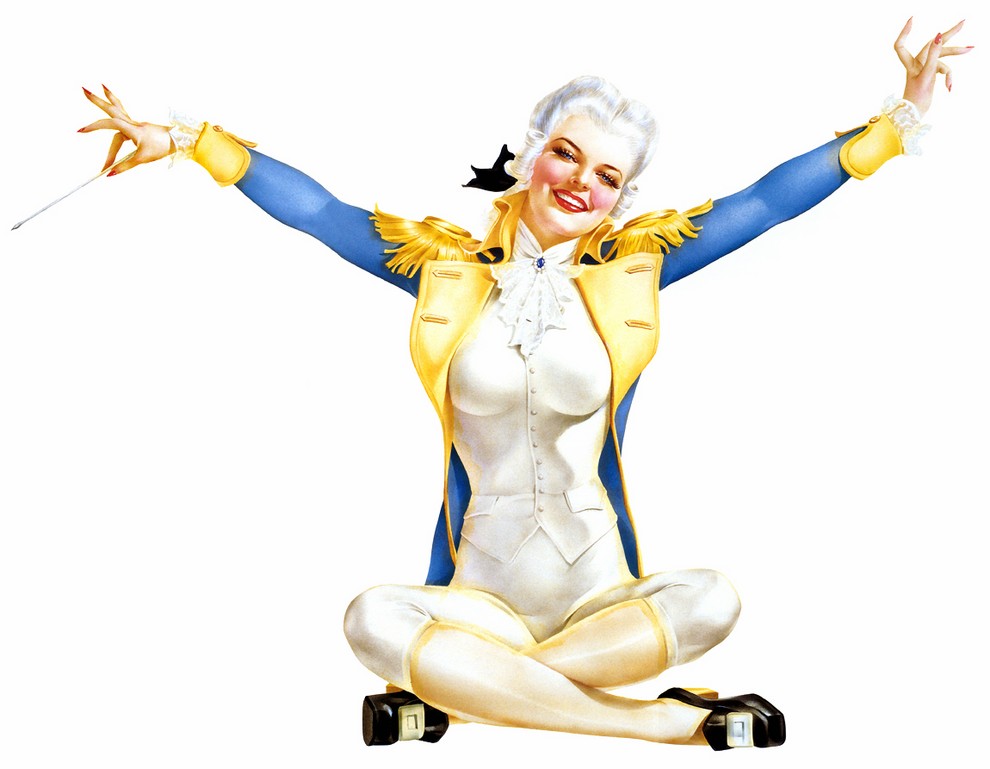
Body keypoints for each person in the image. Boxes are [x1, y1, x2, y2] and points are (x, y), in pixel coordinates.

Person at [76, 18, 969, 750]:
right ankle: (664, 724)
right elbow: (319, 212)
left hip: (602, 600)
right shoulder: (445, 272)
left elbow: (766, 203)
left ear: (622, 197)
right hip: (483, 601)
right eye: (568, 156)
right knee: (370, 618)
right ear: (533, 153)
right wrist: (189, 141)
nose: (581, 184)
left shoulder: (634, 274)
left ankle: (463, 698)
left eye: (608, 176)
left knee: (714, 598)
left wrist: (900, 117)